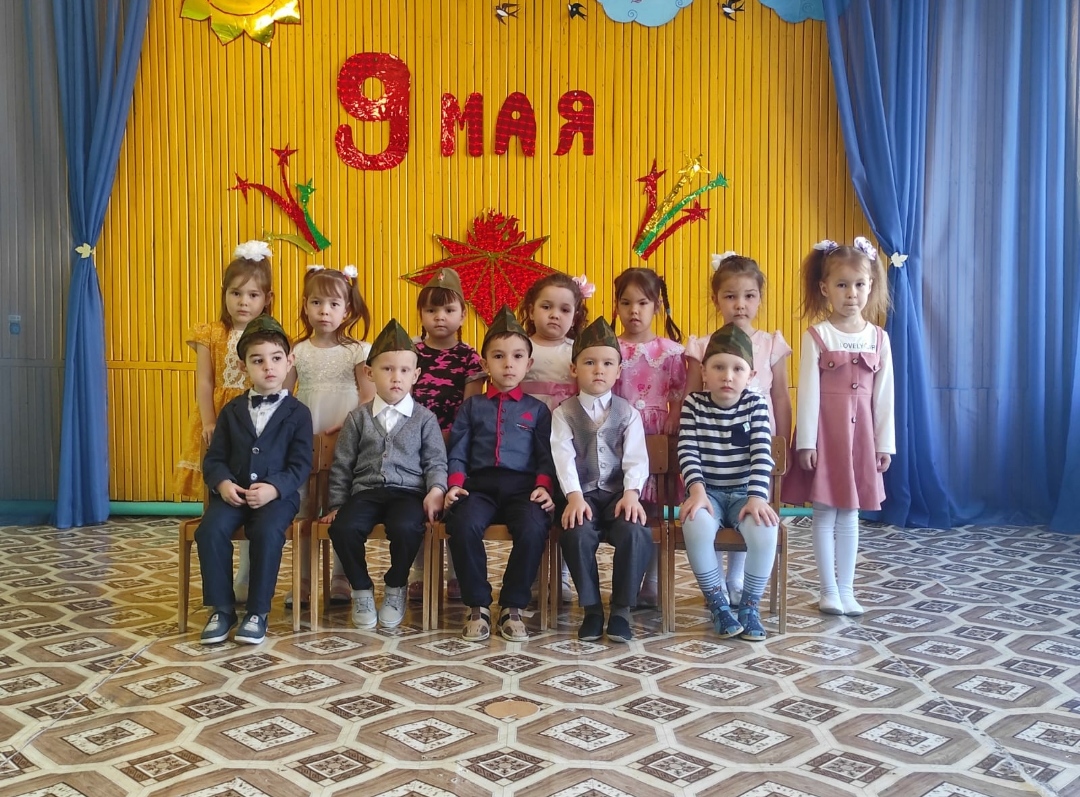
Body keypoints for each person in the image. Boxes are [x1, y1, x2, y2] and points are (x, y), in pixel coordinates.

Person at [782, 237, 894, 617]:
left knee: (850, 513)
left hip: (861, 439)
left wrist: (884, 444)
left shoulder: (879, 338)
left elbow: (884, 397)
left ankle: (847, 589)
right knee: (825, 511)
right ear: (825, 288)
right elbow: (808, 392)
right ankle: (828, 590)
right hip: (827, 437)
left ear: (871, 286)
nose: (852, 293)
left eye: (860, 284)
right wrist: (807, 442)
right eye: (842, 285)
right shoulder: (818, 335)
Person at [195, 314, 313, 645]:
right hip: (233, 496)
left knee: (267, 531)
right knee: (210, 530)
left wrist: (274, 488)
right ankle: (222, 608)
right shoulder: (231, 411)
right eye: (258, 361)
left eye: (276, 359)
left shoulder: (299, 413)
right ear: (243, 366)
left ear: (289, 362)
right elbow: (214, 459)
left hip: (277, 499)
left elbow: (301, 464)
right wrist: (222, 484)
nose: (268, 367)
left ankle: (257, 611)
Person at [322, 320, 447, 630]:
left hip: (408, 493)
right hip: (365, 493)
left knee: (406, 527)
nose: (396, 377)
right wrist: (337, 504)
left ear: (416, 375)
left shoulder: (425, 419)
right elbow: (342, 463)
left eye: (404, 370)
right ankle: (361, 589)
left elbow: (436, 461)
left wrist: (436, 490)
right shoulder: (358, 418)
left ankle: (395, 585)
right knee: (344, 528)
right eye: (387, 369)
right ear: (370, 373)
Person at [686, 252, 792, 605]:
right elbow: (690, 394)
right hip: (713, 444)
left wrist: (783, 444)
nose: (740, 304)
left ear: (760, 298)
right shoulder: (702, 346)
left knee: (751, 507)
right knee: (712, 511)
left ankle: (736, 577)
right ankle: (716, 580)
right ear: (716, 299)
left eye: (749, 295)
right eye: (730, 296)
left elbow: (781, 396)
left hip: (756, 445)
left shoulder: (771, 343)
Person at [444, 306, 556, 642]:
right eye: (498, 356)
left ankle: (512, 605)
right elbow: (458, 451)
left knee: (534, 526)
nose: (508, 364)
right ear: (485, 364)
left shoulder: (538, 410)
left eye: (517, 356)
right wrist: (455, 484)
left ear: (528, 364)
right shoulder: (472, 407)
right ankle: (477, 604)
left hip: (523, 488)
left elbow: (546, 456)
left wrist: (544, 486)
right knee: (462, 524)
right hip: (478, 487)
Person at [177, 240, 275, 603]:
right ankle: (217, 574)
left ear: (267, 298)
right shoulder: (211, 334)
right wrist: (209, 421)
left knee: (253, 494)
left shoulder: (270, 336)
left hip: (255, 422)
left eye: (252, 294)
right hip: (220, 419)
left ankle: (246, 575)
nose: (243, 302)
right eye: (236, 293)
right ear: (224, 294)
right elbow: (205, 382)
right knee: (221, 494)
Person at [552, 317, 652, 643]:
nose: (599, 370)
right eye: (589, 362)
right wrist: (574, 496)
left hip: (618, 495)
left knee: (635, 531)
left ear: (619, 370)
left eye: (608, 363)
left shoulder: (628, 413)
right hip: (582, 496)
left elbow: (636, 457)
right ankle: (592, 609)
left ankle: (621, 609)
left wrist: (632, 493)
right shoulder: (563, 413)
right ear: (574, 369)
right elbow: (563, 457)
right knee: (576, 532)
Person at [678, 324, 780, 641]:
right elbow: (688, 450)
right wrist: (696, 492)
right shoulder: (694, 405)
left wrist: (757, 498)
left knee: (765, 529)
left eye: (737, 369)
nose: (727, 376)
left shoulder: (755, 404)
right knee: (695, 523)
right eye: (718, 367)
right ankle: (718, 605)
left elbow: (762, 453)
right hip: (708, 493)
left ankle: (749, 607)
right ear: (704, 372)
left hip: (745, 495)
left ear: (751, 375)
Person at [283, 264, 375, 608]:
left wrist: (348, 426)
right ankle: (303, 579)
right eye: (317, 303)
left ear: (347, 310)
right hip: (306, 437)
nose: (325, 311)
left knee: (344, 507)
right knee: (304, 508)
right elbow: (283, 396)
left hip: (345, 436)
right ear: (305, 306)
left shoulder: (357, 350)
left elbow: (367, 397)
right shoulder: (297, 350)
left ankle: (341, 577)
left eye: (334, 304)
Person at [406, 268, 486, 603]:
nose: (440, 317)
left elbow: (470, 408)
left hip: (456, 445)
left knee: (455, 505)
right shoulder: (410, 352)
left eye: (449, 310)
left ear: (463, 314)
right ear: (421, 314)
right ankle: (420, 573)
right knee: (418, 506)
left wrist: (450, 437)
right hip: (414, 446)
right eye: (431, 310)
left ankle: (456, 574)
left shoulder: (470, 358)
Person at [611, 267, 687, 606]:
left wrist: (674, 412)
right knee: (628, 509)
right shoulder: (611, 348)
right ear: (616, 306)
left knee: (656, 511)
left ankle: (652, 581)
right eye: (626, 303)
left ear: (657, 305)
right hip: (618, 434)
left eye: (643, 303)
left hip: (656, 433)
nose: (634, 311)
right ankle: (625, 578)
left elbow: (680, 390)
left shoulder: (670, 351)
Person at [518, 272, 591, 598]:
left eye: (564, 309)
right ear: (531, 309)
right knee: (533, 505)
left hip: (566, 440)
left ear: (575, 314)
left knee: (563, 502)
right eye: (546, 307)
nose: (554, 315)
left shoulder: (577, 351)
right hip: (526, 440)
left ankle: (560, 575)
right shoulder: (521, 348)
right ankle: (534, 574)